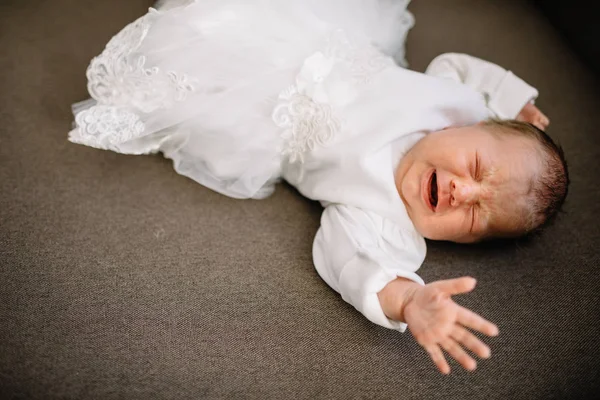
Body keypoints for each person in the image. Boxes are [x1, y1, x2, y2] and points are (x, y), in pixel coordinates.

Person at [68, 0, 569, 374]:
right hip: (320, 32)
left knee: (199, 35)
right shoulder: (456, 103)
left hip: (261, 108)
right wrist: (514, 101)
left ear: (466, 243)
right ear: (474, 124)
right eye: (477, 166)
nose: (463, 191)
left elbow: (351, 260)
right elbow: (460, 68)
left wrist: (408, 301)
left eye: (476, 216)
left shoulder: (388, 221)